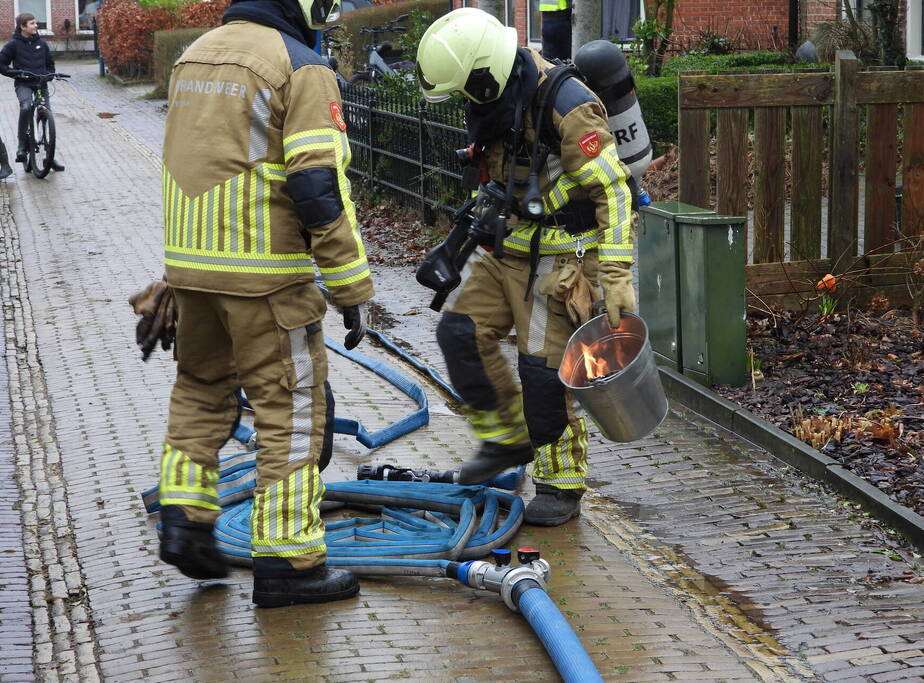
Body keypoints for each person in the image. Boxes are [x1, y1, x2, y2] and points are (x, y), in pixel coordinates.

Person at [130, 0, 374, 608]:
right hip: (267, 279)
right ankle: (289, 562)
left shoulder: (193, 55)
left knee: (199, 389)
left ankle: (186, 520)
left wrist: (176, 275)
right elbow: (317, 185)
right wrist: (351, 288)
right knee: (289, 411)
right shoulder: (301, 67)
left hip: (191, 272)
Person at [415, 8, 636, 526]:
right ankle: (506, 441)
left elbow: (614, 191)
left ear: (485, 72)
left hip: (562, 258)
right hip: (510, 249)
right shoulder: (496, 101)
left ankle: (561, 485)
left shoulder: (569, 103)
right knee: (459, 333)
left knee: (542, 374)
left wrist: (617, 276)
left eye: (469, 88)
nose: (467, 100)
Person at [0, 14, 64, 172]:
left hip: (40, 84)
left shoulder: (42, 44)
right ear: (23, 26)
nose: (36, 26)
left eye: (36, 23)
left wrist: (50, 74)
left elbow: (50, 64)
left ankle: (49, 157)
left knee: (47, 114)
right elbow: (1, 64)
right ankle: (22, 144)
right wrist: (15, 73)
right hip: (24, 84)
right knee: (26, 107)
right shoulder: (13, 45)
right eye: (32, 23)